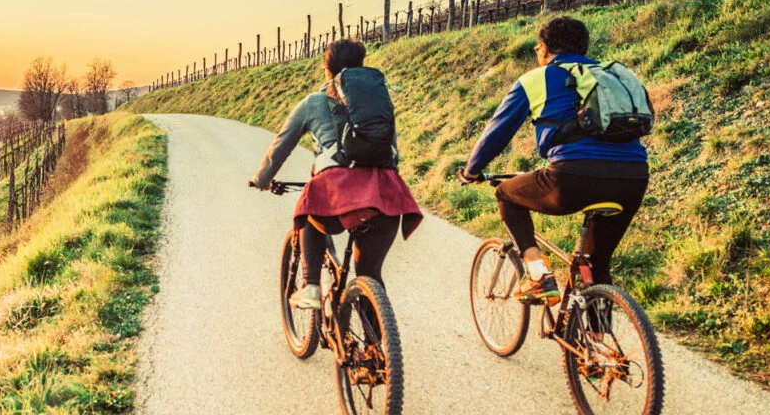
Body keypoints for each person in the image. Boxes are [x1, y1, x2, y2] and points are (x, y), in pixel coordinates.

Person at [460, 16, 650, 303]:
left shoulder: (537, 78)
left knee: (506, 195)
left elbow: (496, 133)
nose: (538, 54)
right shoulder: (609, 77)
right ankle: (594, 344)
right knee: (596, 266)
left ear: (545, 48)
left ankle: (538, 275)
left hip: (572, 177)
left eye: (538, 48)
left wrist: (471, 171)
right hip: (633, 179)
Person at [250, 39, 423, 310]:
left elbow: (282, 144)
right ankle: (377, 348)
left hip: (336, 191)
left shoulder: (314, 101)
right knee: (369, 274)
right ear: (360, 66)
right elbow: (392, 149)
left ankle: (310, 286)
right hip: (385, 192)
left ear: (326, 69)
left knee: (307, 213)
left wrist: (261, 179)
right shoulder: (377, 102)